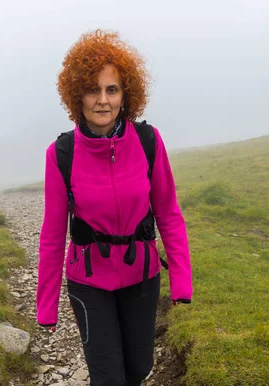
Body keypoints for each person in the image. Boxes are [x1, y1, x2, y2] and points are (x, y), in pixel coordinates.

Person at [36, 29, 193, 386]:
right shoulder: (61, 154)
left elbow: (169, 213)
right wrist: (46, 304)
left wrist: (181, 280)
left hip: (142, 275)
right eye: (93, 90)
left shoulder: (148, 142)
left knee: (138, 370)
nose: (103, 100)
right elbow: (52, 234)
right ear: (78, 96)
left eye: (112, 89)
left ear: (126, 95)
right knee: (109, 378)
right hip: (88, 281)